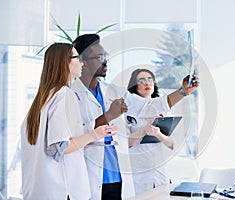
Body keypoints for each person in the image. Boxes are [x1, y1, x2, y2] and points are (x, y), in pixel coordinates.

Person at [71, 34, 199, 199]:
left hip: (118, 176)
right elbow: (75, 136)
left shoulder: (113, 91)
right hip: (90, 174)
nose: (105, 61)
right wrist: (109, 115)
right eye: (99, 57)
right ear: (83, 61)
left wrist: (183, 92)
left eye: (105, 56)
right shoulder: (71, 94)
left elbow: (149, 106)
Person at [20, 43, 115, 200]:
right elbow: (59, 147)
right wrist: (94, 135)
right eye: (78, 58)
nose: (82, 63)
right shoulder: (63, 94)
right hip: (63, 191)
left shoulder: (42, 99)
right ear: (65, 62)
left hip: (39, 191)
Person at [126, 68, 197, 195]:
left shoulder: (165, 109)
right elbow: (125, 143)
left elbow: (173, 144)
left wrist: (158, 134)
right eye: (142, 80)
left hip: (160, 170)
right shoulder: (127, 110)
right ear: (134, 86)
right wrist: (144, 130)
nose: (147, 83)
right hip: (138, 172)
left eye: (150, 80)